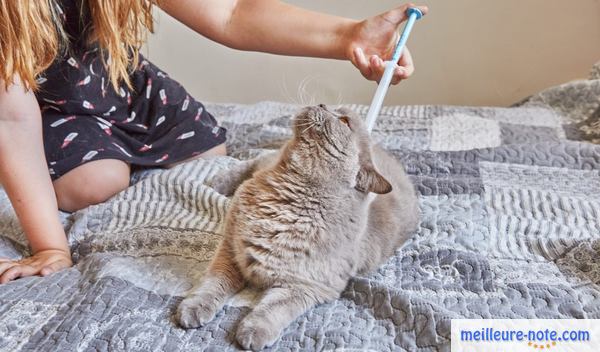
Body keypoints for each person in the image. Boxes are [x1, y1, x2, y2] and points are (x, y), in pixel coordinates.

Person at [0, 0, 428, 283]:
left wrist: (350, 35)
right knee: (95, 185)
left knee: (208, 152)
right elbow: (12, 118)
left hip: (118, 81)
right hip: (50, 105)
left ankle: (119, 142)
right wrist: (50, 247)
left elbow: (231, 14)